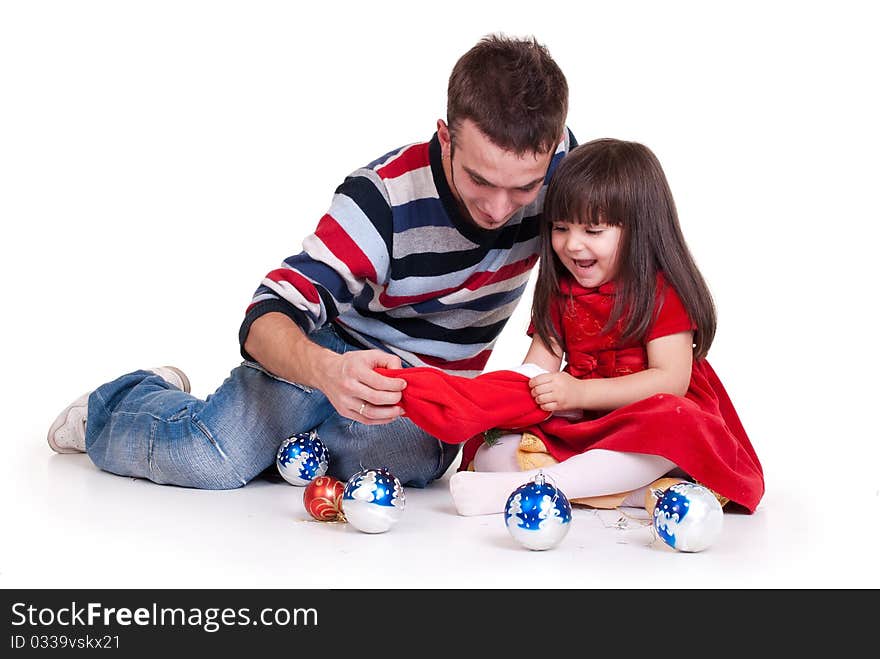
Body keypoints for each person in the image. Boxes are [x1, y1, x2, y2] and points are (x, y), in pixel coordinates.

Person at [46, 34, 576, 490]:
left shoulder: (570, 176)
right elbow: (264, 318)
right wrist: (329, 373)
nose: (500, 208)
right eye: (480, 180)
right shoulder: (381, 201)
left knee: (407, 462)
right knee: (212, 458)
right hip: (336, 352)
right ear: (445, 136)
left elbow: (605, 281)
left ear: (551, 151)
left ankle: (270, 428)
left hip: (430, 389)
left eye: (524, 188)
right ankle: (123, 400)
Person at [375, 138, 764, 514]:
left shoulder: (661, 292)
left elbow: (671, 381)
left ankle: (534, 489)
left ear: (641, 229)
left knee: (673, 423)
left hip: (647, 418)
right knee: (493, 449)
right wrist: (473, 398)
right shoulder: (562, 290)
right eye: (561, 228)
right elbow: (535, 369)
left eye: (593, 231)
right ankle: (622, 491)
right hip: (586, 423)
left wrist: (579, 392)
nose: (573, 245)